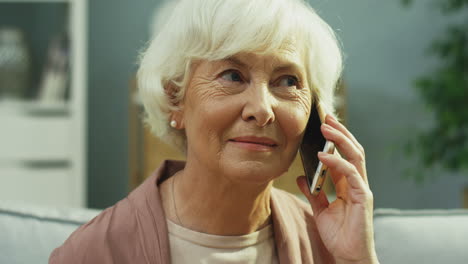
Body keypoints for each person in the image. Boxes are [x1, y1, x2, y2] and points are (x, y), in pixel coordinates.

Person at [50, 0, 379, 263]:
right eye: (233, 76)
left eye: (288, 81)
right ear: (174, 99)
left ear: (314, 116)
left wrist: (357, 260)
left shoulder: (326, 242)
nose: (262, 109)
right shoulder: (93, 252)